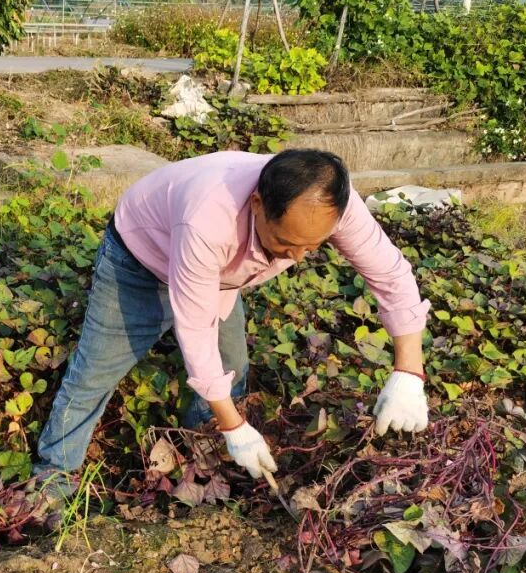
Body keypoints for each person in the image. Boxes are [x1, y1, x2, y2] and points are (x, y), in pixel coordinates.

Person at [32, 148, 430, 491]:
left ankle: (202, 459)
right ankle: (52, 480)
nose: (298, 258)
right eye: (286, 243)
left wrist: (409, 374)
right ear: (257, 204)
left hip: (219, 274)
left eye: (313, 246)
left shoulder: (331, 204)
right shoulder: (208, 216)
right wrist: (234, 427)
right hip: (140, 260)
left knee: (232, 366)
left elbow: (391, 276)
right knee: (94, 375)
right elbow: (196, 329)